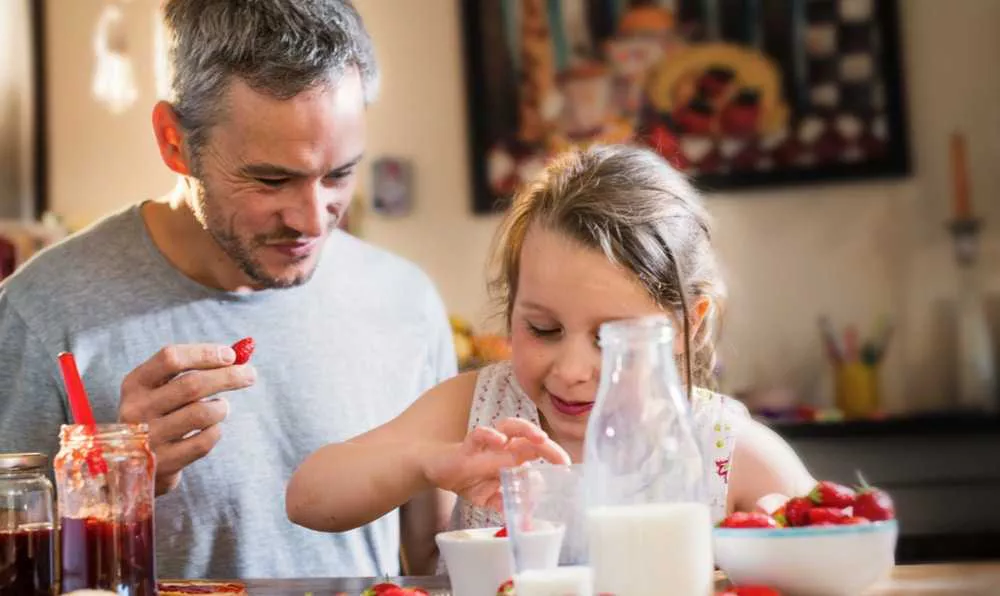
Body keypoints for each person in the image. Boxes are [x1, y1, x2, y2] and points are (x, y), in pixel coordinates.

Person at [0, 0, 456, 580]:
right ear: (174, 142)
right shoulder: (41, 315)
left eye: (339, 174)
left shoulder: (406, 302)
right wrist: (113, 488)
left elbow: (441, 562)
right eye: (271, 179)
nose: (313, 220)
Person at [286, 144, 816, 538]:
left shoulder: (724, 450)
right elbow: (308, 497)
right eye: (543, 329)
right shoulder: (479, 410)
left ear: (686, 327)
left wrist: (788, 548)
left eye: (612, 340)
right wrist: (426, 464)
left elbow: (846, 562)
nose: (571, 370)